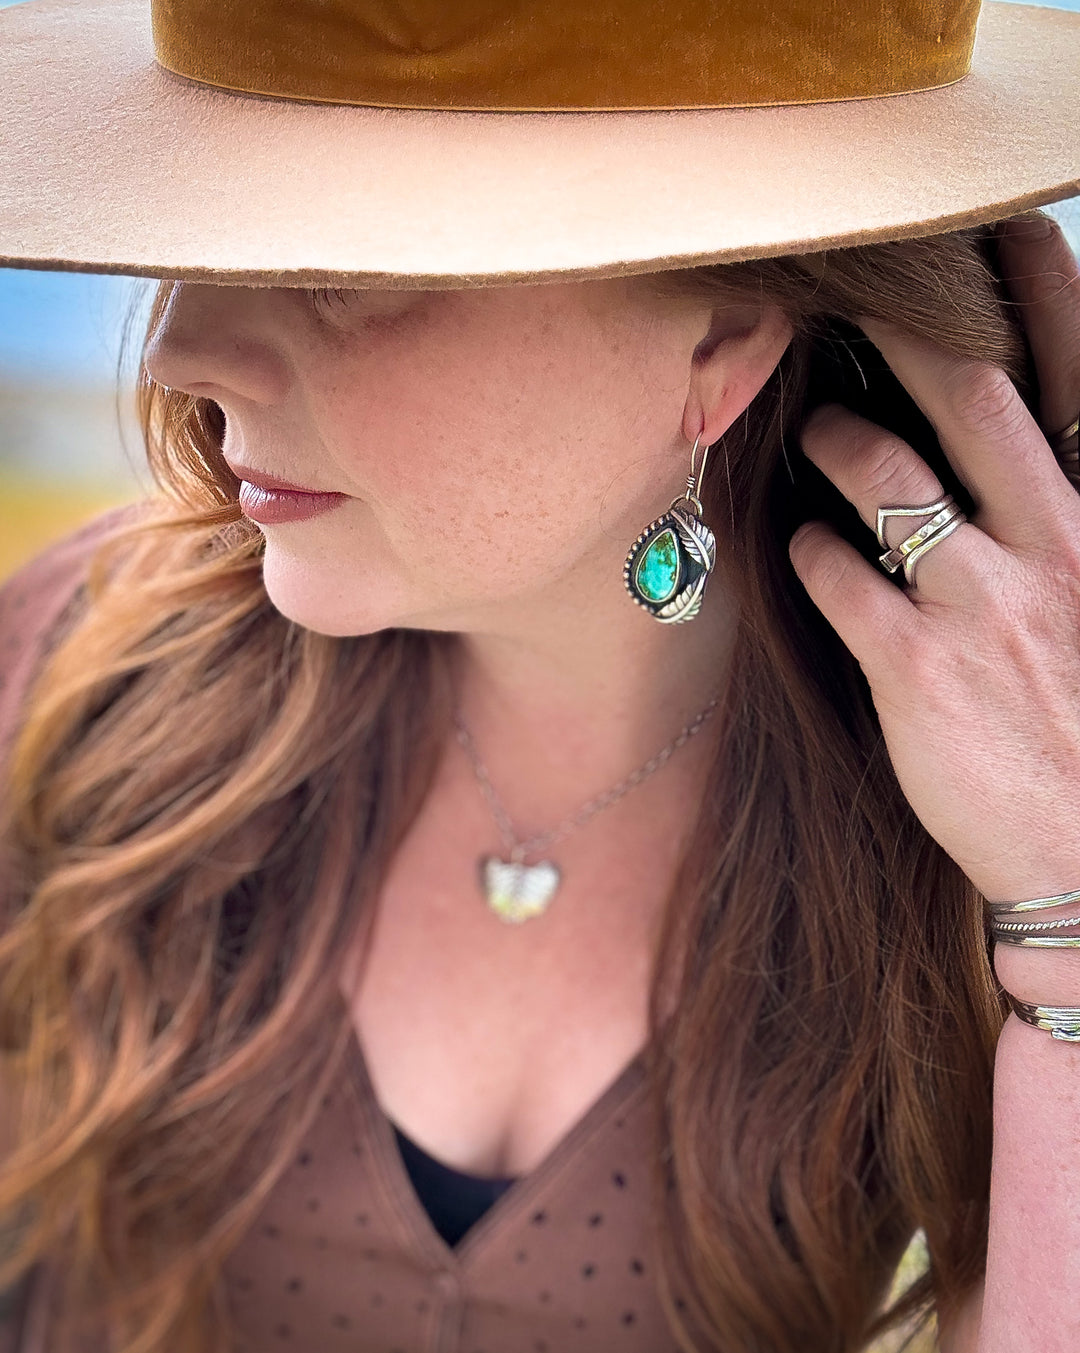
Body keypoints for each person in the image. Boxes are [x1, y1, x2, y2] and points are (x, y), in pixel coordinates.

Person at [0, 1, 1077, 1351]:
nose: (180, 354)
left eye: (342, 269)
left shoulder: (975, 838)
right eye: (198, 239)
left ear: (720, 340)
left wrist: (1066, 889)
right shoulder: (74, 679)